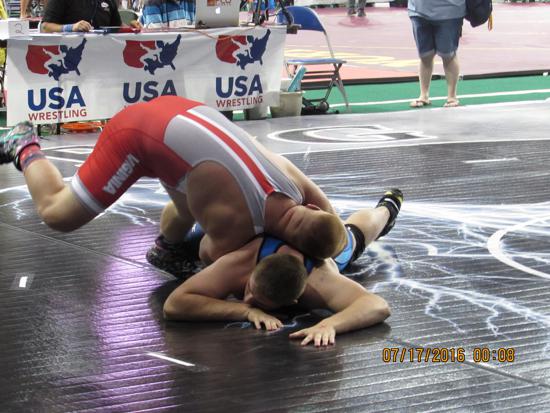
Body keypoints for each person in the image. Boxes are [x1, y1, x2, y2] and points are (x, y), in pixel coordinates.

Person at [0, 96, 348, 267]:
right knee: (58, 213)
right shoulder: (238, 225)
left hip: (184, 112)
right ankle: (25, 144)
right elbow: (209, 254)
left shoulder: (296, 185)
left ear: (312, 208)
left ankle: (166, 246)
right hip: (138, 134)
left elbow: (330, 215)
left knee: (194, 200)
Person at [162, 191, 402, 347]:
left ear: (297, 299)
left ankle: (387, 208)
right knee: (196, 235)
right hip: (260, 228)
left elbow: (378, 306)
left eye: (258, 301)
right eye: (250, 290)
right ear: (253, 273)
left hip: (313, 247)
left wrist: (330, 324)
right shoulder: (240, 262)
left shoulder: (320, 280)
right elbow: (174, 305)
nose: (247, 299)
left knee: (351, 241)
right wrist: (243, 311)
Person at [408, 0, 465, 108]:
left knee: (448, 55)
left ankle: (452, 97)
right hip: (418, 11)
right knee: (425, 55)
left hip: (450, 11)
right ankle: (423, 95)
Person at [40, 0, 140, 33]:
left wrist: (131, 28)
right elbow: (45, 27)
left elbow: (117, 26)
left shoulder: (109, 1)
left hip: (102, 59)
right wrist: (71, 27)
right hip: (70, 57)